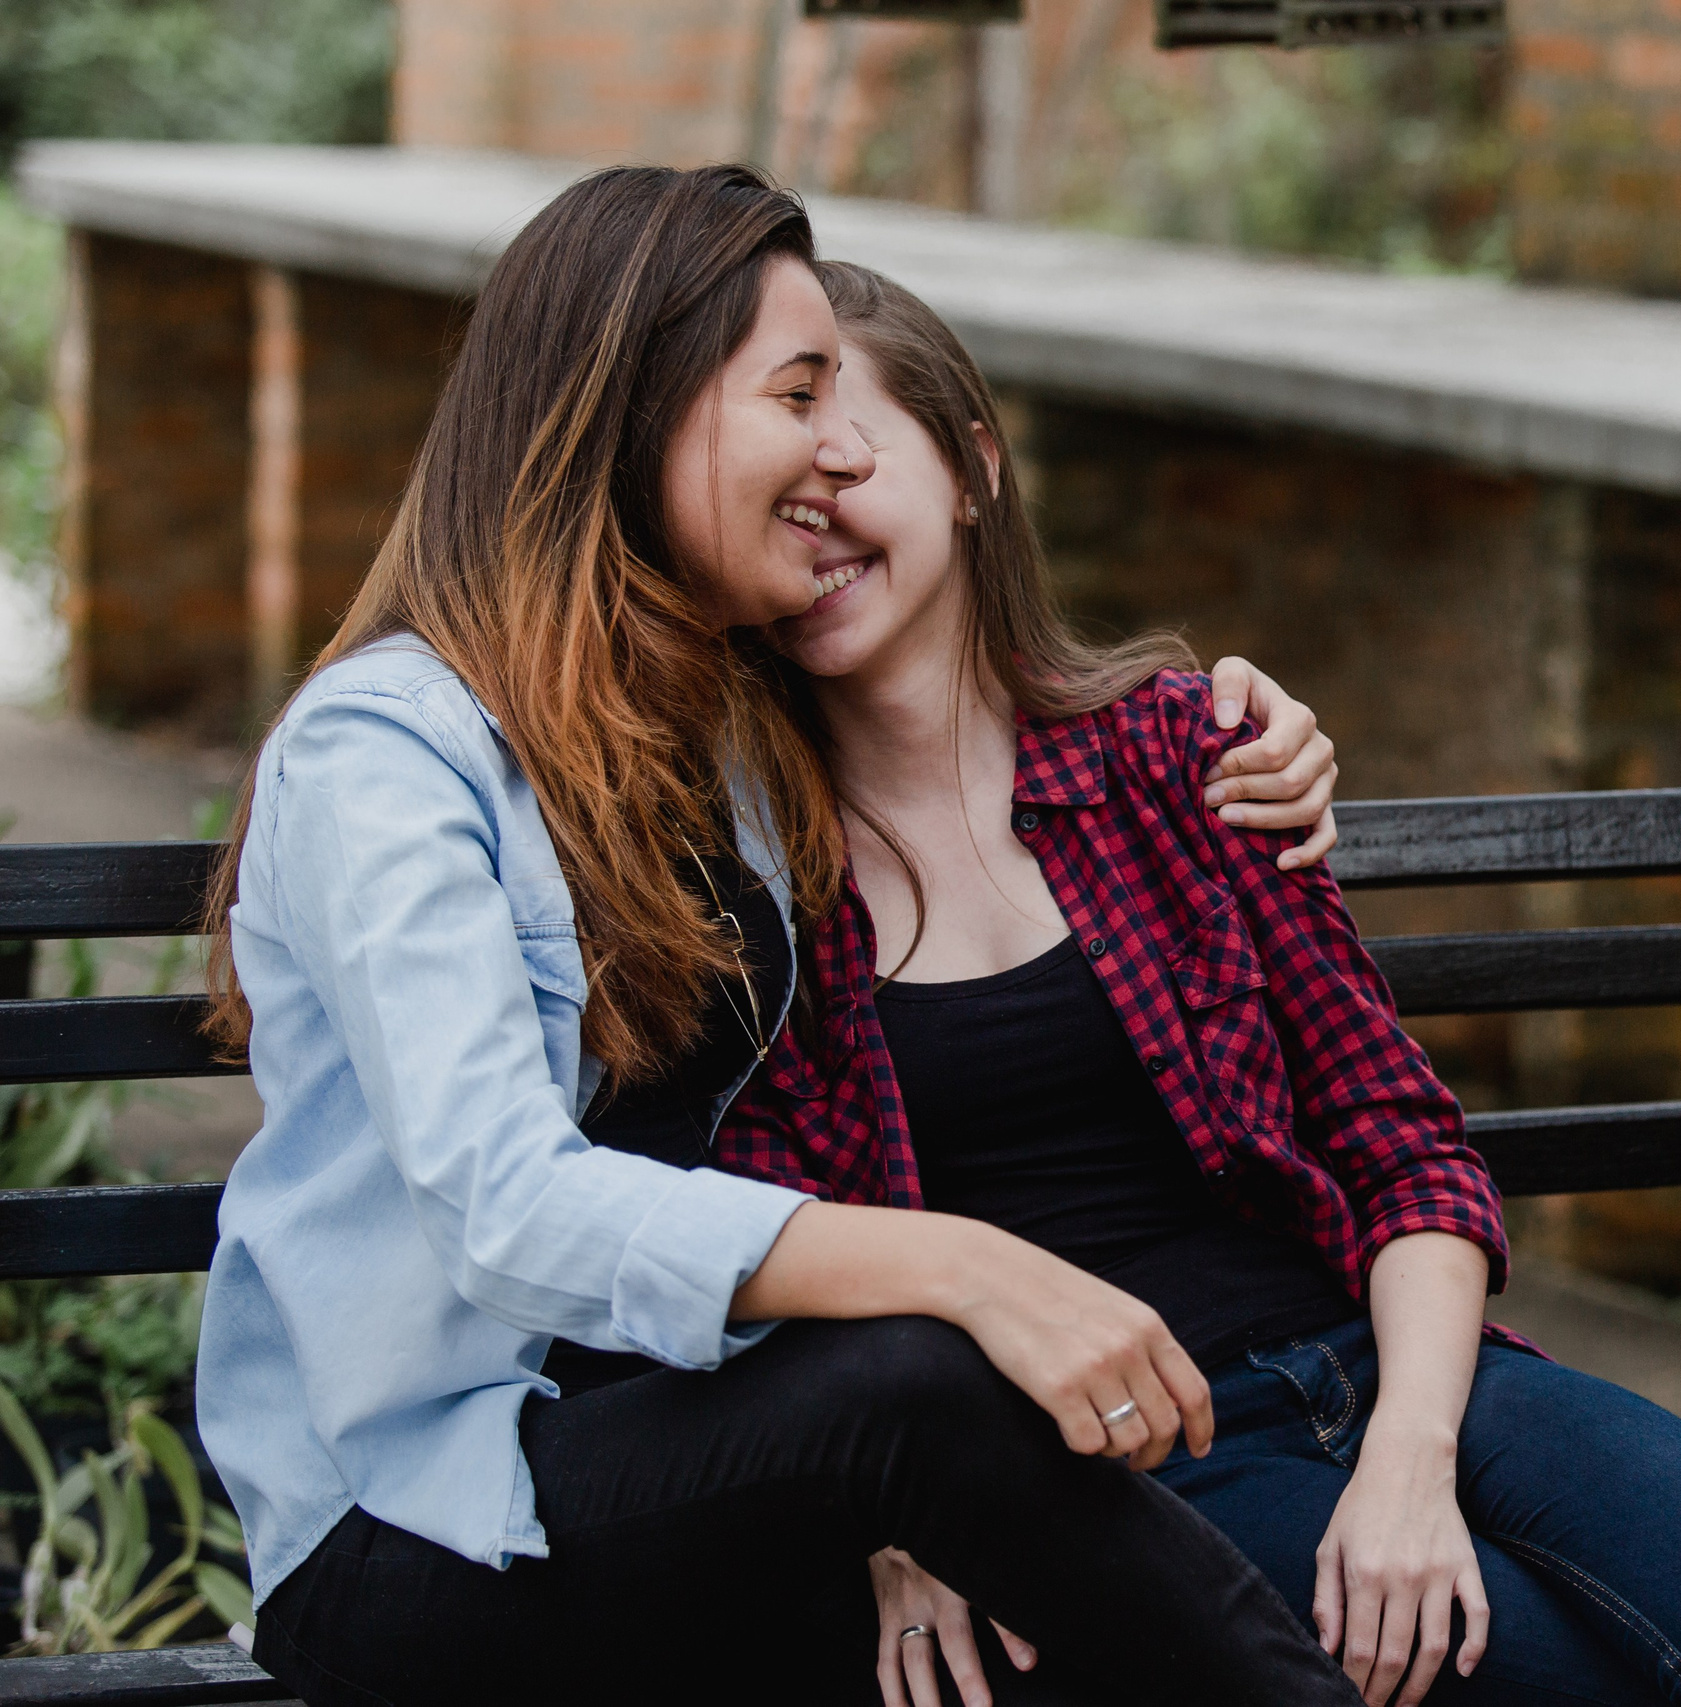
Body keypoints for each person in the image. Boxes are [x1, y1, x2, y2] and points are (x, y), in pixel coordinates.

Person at [193, 164, 1362, 1707]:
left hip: (717, 1463)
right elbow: (503, 1205)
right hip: (430, 1524)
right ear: (643, 403)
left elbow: (983, 712)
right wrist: (962, 1267)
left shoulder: (728, 729)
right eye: (798, 395)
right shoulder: (388, 756)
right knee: (923, 1385)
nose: (836, 449)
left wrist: (1237, 726)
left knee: (982, 1586)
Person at [714, 259, 1681, 1707]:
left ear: (972, 469)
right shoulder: (747, 888)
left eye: (852, 465)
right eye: (778, 502)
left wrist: (1412, 1453)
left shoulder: (1184, 757)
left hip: (1380, 1358)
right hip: (1115, 1458)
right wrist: (897, 1516)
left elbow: (1400, 1142)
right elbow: (762, 1266)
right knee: (1521, 1677)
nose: (820, 519)